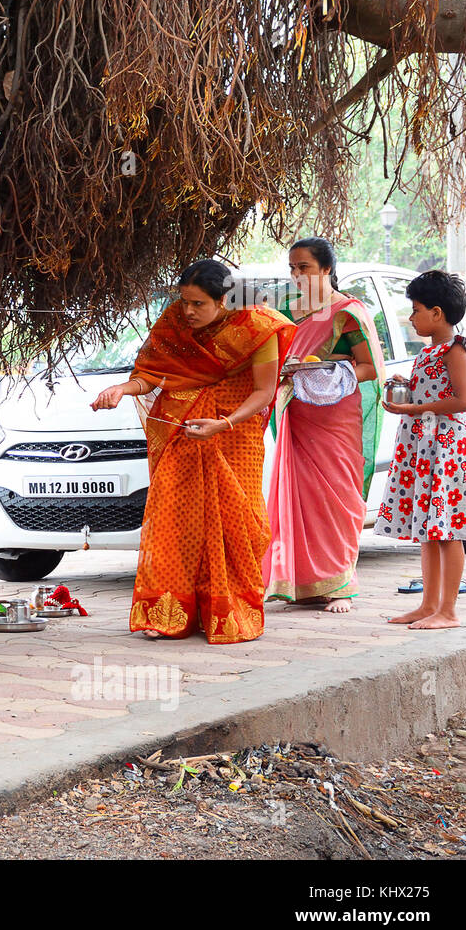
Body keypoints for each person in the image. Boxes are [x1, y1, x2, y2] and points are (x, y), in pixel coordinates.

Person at [92, 259, 295, 643]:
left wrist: (224, 424)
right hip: (181, 431)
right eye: (184, 301)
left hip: (235, 434)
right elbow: (152, 373)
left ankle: (227, 613)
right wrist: (122, 389)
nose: (187, 311)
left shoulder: (259, 326)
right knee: (173, 517)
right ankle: (169, 614)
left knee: (237, 523)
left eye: (198, 304)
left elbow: (263, 392)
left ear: (225, 300)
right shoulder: (175, 322)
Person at [264, 238, 386, 613]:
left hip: (335, 418)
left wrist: (324, 373)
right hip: (298, 415)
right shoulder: (284, 310)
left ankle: (340, 585)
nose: (297, 275)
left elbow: (370, 368)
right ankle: (305, 584)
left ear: (327, 270)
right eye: (293, 268)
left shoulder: (348, 312)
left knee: (337, 499)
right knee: (299, 498)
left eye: (305, 267)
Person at [376, 270, 466, 629]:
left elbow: (464, 400)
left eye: (416, 309)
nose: (411, 317)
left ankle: (448, 611)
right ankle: (428, 605)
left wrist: (415, 408)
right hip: (424, 447)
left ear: (437, 313)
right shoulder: (429, 351)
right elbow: (437, 390)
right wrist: (410, 386)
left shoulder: (455, 351)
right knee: (428, 531)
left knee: (447, 530)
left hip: (446, 447)